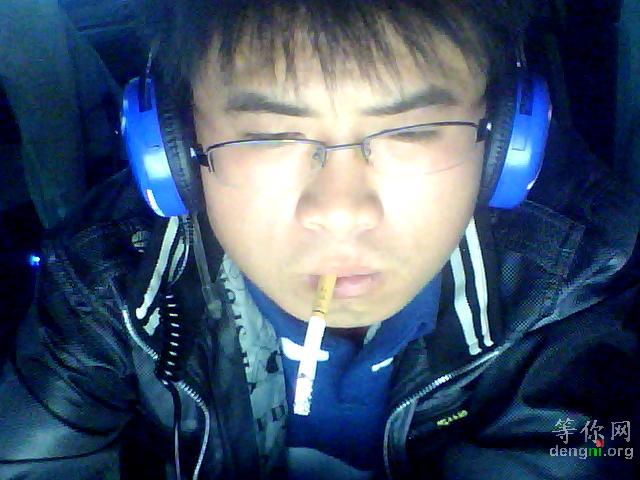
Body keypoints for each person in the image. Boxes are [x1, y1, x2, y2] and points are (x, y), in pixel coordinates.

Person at [1, 1, 639, 479]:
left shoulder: (583, 274)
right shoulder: (106, 277)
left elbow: (592, 449)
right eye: (267, 137)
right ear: (169, 149)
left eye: (412, 132)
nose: (340, 212)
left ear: (507, 142)